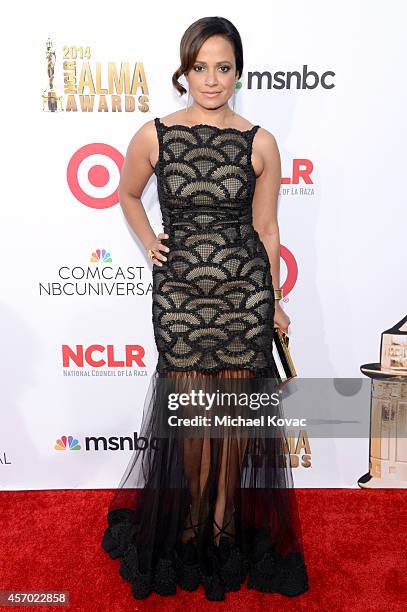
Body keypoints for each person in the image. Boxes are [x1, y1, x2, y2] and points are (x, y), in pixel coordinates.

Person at [101, 16, 309, 602]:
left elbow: (267, 229)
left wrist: (277, 302)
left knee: (234, 424)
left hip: (244, 295)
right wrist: (148, 240)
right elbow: (126, 193)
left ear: (238, 71)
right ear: (184, 70)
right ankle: (189, 520)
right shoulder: (155, 135)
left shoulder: (259, 141)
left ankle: (220, 524)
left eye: (223, 67)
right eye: (200, 67)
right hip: (182, 297)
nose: (211, 79)